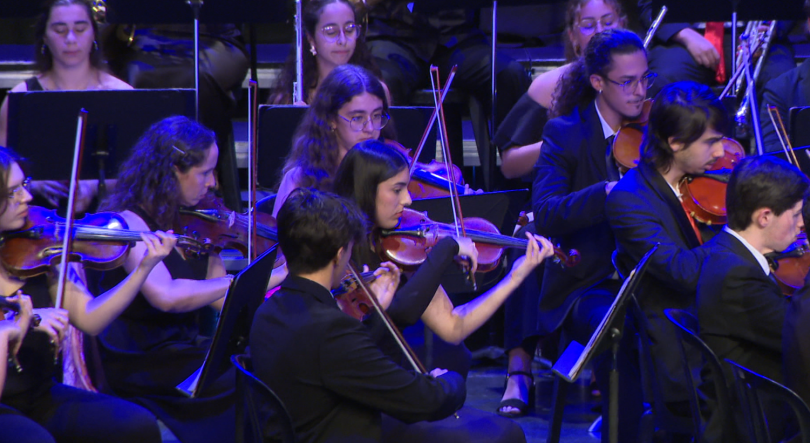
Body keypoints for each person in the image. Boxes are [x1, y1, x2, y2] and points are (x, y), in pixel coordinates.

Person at [333, 140, 550, 441]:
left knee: (508, 432)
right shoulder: (336, 251)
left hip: (397, 391)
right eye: (397, 190)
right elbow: (397, 314)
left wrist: (516, 276)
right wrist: (445, 249)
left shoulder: (395, 248)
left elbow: (453, 325)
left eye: (407, 188)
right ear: (367, 190)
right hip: (359, 406)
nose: (408, 200)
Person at [251, 187, 466, 443]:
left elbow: (342, 363)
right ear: (339, 254)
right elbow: (423, 402)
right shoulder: (329, 328)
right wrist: (450, 381)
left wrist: (377, 315)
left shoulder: (267, 311)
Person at [0, 145, 174, 443]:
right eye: (12, 192)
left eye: (25, 186)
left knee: (137, 425)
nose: (27, 198)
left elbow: (90, 319)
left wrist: (142, 269)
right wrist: (28, 318)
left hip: (40, 394)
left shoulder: (38, 253)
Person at [532, 28, 652, 441]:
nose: (640, 92)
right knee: (618, 331)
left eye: (644, 79)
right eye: (627, 82)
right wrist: (605, 193)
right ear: (598, 82)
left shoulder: (654, 132)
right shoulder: (565, 133)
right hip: (586, 284)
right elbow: (546, 212)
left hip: (648, 274)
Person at [92, 116, 236, 443]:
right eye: (204, 173)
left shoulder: (194, 219)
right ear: (174, 172)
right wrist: (242, 282)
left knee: (253, 363)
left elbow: (216, 297)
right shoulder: (129, 224)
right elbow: (167, 296)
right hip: (141, 358)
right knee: (234, 377)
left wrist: (272, 277)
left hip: (181, 347)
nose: (213, 182)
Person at [605, 81, 729, 423]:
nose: (721, 154)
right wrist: (742, 229)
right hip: (686, 338)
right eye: (711, 142)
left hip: (724, 314)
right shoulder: (629, 199)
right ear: (674, 143)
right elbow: (683, 271)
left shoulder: (706, 180)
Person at [698, 155, 808, 442]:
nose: (802, 225)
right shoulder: (736, 277)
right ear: (764, 217)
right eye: (796, 215)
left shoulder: (726, 252)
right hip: (759, 417)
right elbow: (798, 337)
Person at [0, 0, 131, 211]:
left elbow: (134, 170)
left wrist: (95, 186)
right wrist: (33, 183)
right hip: (36, 216)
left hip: (105, 218)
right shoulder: (21, 97)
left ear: (93, 34)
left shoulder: (122, 94)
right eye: (60, 30)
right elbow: (2, 169)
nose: (70, 39)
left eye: (80, 29)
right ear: (45, 37)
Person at [494, 0, 626, 180]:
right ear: (573, 37)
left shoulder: (642, 81)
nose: (600, 31)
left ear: (623, 25)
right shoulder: (552, 84)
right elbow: (510, 164)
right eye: (588, 25)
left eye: (608, 22)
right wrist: (563, 140)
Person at [272, 64, 390, 217]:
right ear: (331, 119)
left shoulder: (389, 175)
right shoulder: (300, 180)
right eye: (358, 118)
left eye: (376, 116)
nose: (370, 128)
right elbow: (280, 238)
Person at [268, 0, 383, 105]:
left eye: (349, 29)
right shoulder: (288, 99)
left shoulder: (375, 90)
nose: (342, 41)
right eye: (331, 32)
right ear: (311, 39)